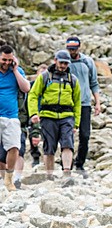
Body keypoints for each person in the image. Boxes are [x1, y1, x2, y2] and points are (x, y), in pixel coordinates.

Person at [27, 50, 81, 181]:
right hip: (48, 116)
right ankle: (49, 175)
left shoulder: (72, 80)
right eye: (61, 62)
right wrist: (33, 113)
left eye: (66, 63)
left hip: (67, 116)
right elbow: (33, 95)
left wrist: (77, 122)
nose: (63, 66)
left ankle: (66, 173)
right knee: (49, 146)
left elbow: (77, 102)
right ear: (55, 60)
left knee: (67, 144)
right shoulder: (45, 77)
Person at [65, 37, 101, 178]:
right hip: (68, 104)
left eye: (74, 49)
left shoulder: (87, 62)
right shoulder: (64, 62)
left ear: (79, 48)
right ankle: (66, 164)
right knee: (67, 135)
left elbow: (94, 83)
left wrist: (97, 102)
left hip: (85, 103)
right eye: (69, 48)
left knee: (85, 135)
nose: (71, 51)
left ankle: (80, 163)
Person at [0, 44, 30, 191]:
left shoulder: (17, 71)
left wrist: (16, 70)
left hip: (11, 116)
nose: (6, 63)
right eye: (3, 60)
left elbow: (26, 88)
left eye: (9, 60)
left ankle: (9, 178)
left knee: (14, 147)